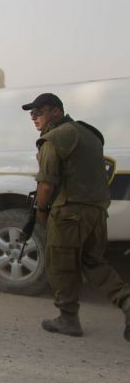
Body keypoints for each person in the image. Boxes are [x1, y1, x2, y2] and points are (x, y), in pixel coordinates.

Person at [23, 93, 130, 341]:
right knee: (93, 262)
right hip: (95, 211)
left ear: (56, 112)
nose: (35, 118)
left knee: (60, 265)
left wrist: (40, 211)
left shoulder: (54, 138)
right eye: (32, 114)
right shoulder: (89, 133)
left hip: (69, 213)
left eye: (39, 113)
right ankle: (126, 302)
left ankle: (68, 319)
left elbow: (47, 183)